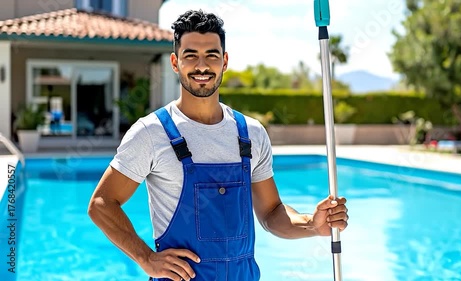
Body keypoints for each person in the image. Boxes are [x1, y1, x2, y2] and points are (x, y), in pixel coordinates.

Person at [88, 9, 349, 281]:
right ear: (175, 63)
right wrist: (146, 258)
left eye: (211, 55)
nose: (202, 66)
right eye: (191, 56)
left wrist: (312, 224)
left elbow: (272, 213)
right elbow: (101, 203)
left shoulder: (251, 134)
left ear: (224, 61)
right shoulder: (151, 133)